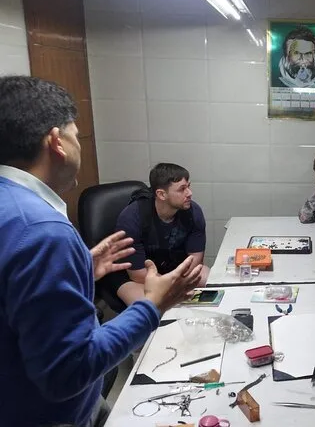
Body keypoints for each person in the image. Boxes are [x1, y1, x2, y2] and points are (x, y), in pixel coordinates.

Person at [0, 75, 201, 426]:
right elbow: (67, 372)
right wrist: (153, 306)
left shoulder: (13, 211)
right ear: (57, 142)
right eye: (76, 135)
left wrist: (78, 267)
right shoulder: (43, 230)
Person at [98, 163, 209, 306]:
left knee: (208, 279)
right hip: (133, 276)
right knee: (151, 306)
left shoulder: (193, 211)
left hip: (171, 268)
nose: (189, 193)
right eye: (182, 189)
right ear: (161, 194)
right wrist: (172, 286)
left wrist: (177, 281)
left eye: (188, 186)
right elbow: (137, 274)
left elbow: (195, 259)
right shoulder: (132, 218)